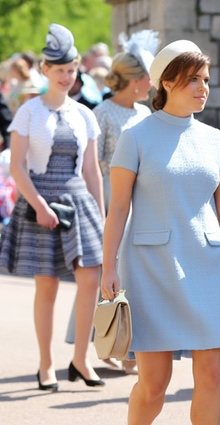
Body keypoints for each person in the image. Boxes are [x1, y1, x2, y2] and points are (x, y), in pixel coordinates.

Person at [99, 40, 220, 424]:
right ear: (166, 83)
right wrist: (108, 267)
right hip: (152, 268)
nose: (203, 88)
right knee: (154, 383)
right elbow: (118, 208)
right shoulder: (137, 135)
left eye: (205, 79)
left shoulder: (216, 139)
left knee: (211, 375)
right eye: (193, 80)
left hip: (209, 265)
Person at [0, 23, 106, 391]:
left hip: (77, 200)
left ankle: (81, 358)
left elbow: (92, 171)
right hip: (38, 199)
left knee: (90, 277)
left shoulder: (85, 114)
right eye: (60, 70)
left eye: (72, 70)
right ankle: (46, 363)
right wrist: (39, 205)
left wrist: (103, 218)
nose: (66, 76)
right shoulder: (29, 112)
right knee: (45, 285)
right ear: (45, 70)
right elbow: (16, 166)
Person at [94, 30, 158, 208]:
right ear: (135, 80)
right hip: (111, 195)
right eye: (148, 78)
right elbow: (93, 163)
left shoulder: (145, 113)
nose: (152, 84)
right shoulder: (102, 112)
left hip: (143, 194)